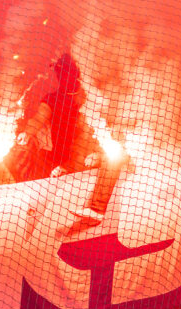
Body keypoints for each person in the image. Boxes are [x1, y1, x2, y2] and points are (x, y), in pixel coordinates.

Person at [15, 53, 123, 223]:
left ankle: (96, 207)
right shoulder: (51, 98)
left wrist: (94, 155)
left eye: (67, 74)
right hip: (60, 155)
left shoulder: (90, 97)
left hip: (85, 155)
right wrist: (27, 132)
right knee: (27, 153)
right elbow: (38, 118)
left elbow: (101, 130)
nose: (64, 79)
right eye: (60, 75)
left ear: (77, 74)